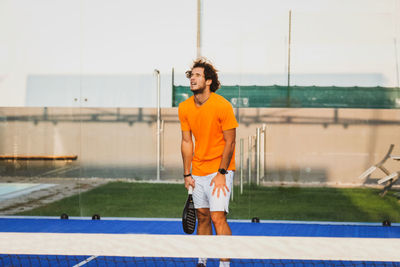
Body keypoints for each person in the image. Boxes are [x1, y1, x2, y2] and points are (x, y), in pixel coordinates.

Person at [178, 58, 238, 267]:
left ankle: (224, 264)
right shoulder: (184, 108)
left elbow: (230, 141)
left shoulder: (223, 106)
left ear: (209, 81)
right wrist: (187, 174)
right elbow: (187, 141)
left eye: (197, 75)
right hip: (198, 171)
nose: (192, 79)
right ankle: (202, 260)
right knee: (202, 217)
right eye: (191, 75)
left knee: (217, 217)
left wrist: (222, 172)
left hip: (220, 170)